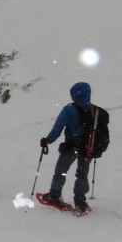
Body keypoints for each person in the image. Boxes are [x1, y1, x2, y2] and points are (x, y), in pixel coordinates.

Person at [40, 82, 98, 213]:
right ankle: (80, 202)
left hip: (71, 146)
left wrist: (48, 140)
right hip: (87, 149)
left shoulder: (69, 109)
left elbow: (58, 128)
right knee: (82, 175)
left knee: (61, 172)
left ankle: (54, 196)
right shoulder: (94, 110)